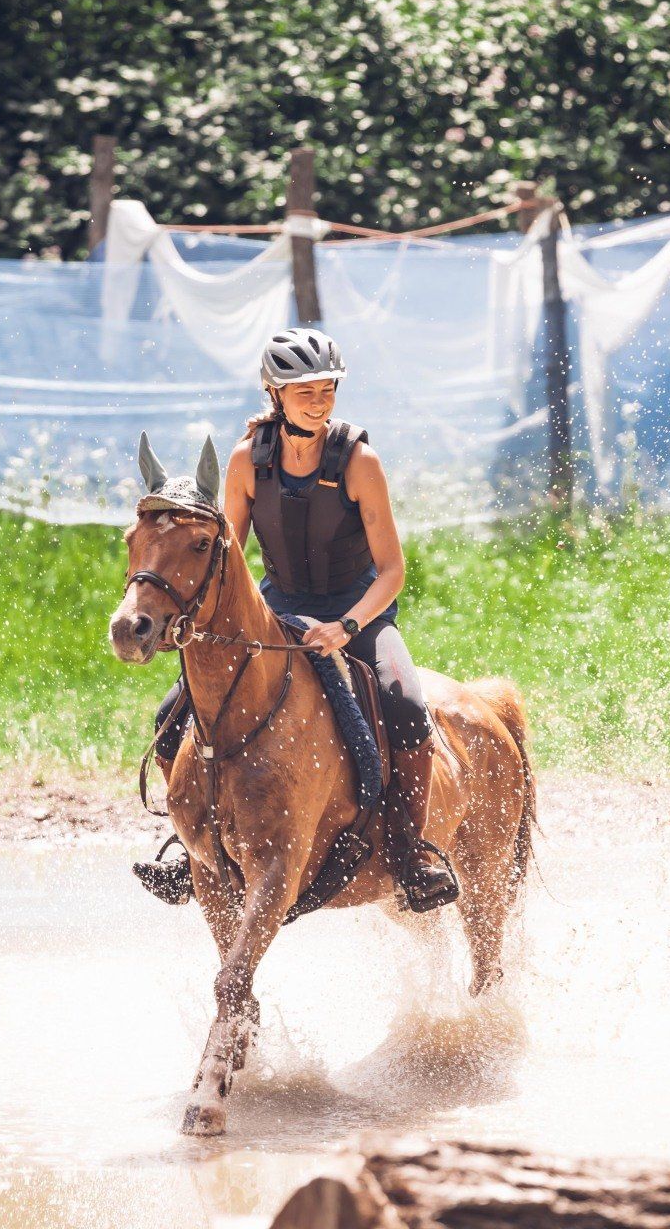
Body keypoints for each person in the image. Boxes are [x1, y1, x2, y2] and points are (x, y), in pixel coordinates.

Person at [139, 327, 459, 913]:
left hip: (358, 610)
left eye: (327, 388)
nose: (319, 399)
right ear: (274, 393)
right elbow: (224, 555)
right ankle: (194, 847)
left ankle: (414, 854)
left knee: (407, 704)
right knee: (169, 715)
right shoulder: (245, 462)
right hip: (279, 608)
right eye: (304, 389)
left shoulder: (360, 461)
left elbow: (392, 569)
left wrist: (347, 628)